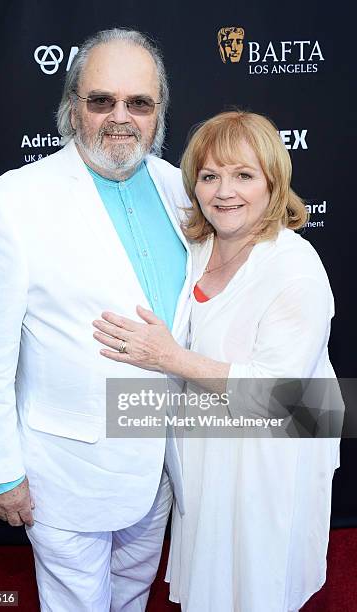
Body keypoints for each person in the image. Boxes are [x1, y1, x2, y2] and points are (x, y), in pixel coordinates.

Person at [0, 28, 192, 611]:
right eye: (101, 100)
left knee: (134, 594)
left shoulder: (181, 188)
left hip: (163, 463)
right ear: (70, 106)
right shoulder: (13, 201)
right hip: (67, 468)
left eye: (139, 102)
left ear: (158, 112)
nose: (121, 117)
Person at [92, 111, 341, 612]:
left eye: (243, 175)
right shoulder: (199, 245)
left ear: (274, 182)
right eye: (210, 176)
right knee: (212, 582)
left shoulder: (297, 269)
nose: (224, 191)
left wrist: (168, 357)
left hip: (271, 457)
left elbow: (280, 397)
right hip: (210, 446)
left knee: (256, 583)